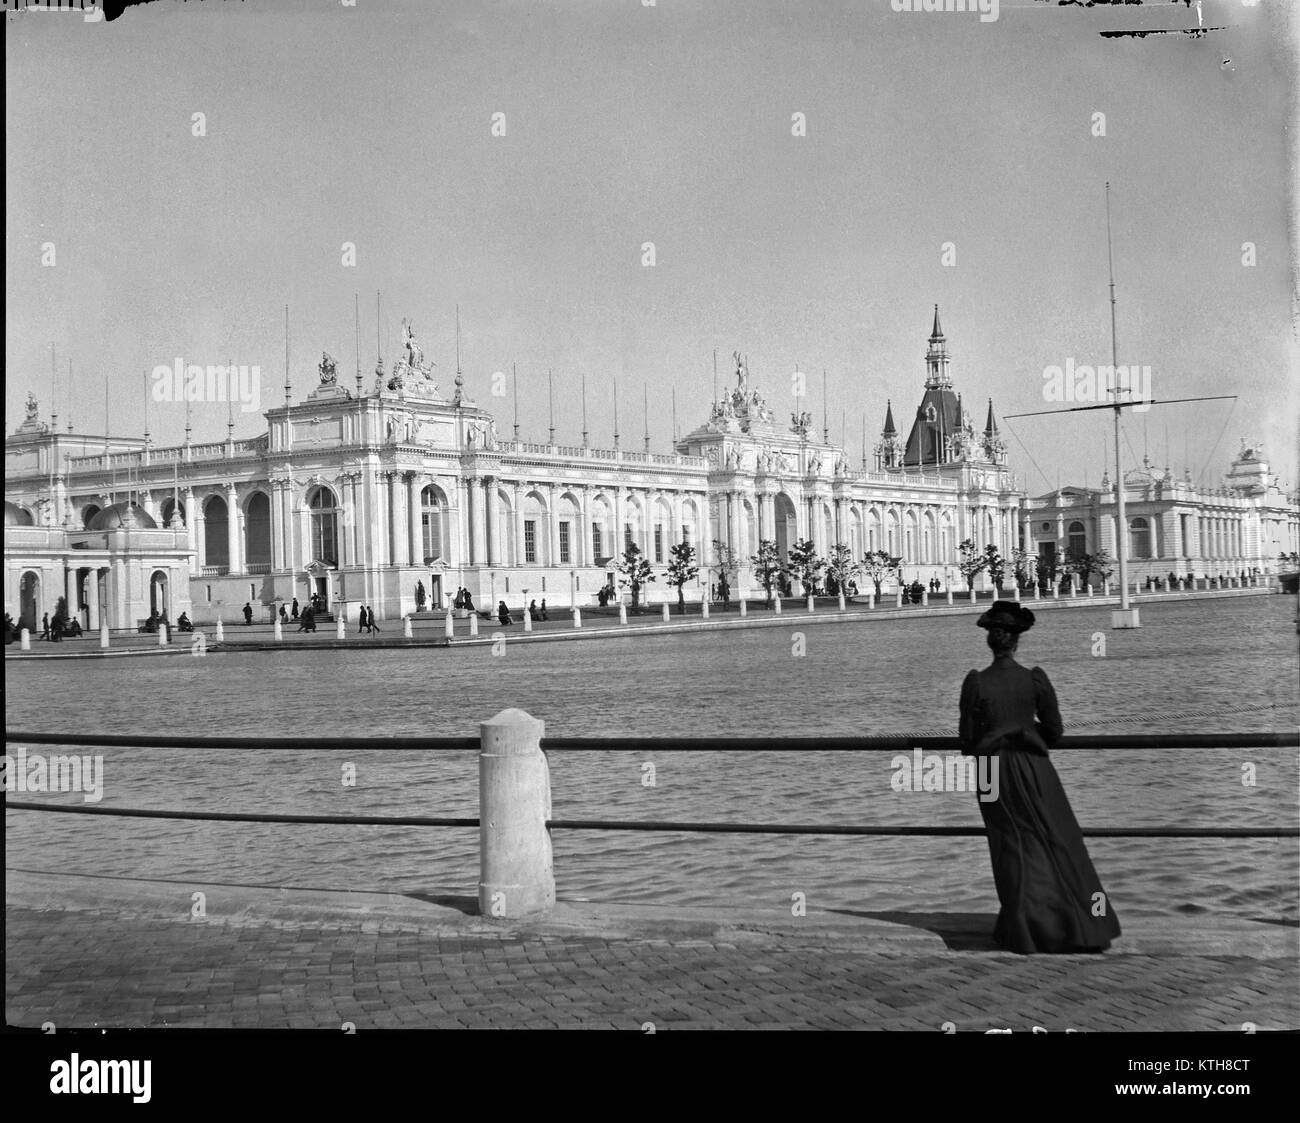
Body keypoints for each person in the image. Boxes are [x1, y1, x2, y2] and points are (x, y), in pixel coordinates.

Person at [958, 600, 1120, 954]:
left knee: (1009, 846)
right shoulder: (1034, 679)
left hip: (991, 772)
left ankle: (1021, 926)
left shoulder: (976, 683)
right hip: (1034, 769)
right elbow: (1055, 731)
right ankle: (1070, 923)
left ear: (990, 641)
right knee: (1055, 840)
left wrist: (996, 735)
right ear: (1017, 641)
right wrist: (1026, 732)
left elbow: (968, 741)